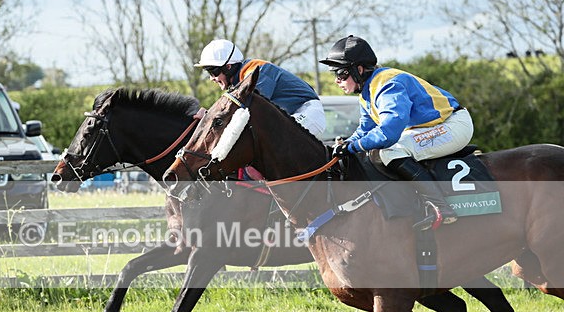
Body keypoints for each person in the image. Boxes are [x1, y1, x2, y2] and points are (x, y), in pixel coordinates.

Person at [320, 35, 474, 230]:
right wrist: (345, 145)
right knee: (383, 151)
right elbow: (366, 129)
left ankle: (441, 208)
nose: (336, 81)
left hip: (453, 125)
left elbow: (388, 132)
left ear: (358, 70)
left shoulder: (388, 85)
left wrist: (354, 146)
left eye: (341, 74)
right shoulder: (367, 92)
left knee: (391, 151)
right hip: (432, 127)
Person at [194, 39, 326, 139]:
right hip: (294, 113)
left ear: (228, 67)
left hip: (308, 112)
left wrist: (208, 117)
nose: (212, 78)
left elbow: (247, 112)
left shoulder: (257, 71)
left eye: (213, 72)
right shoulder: (240, 80)